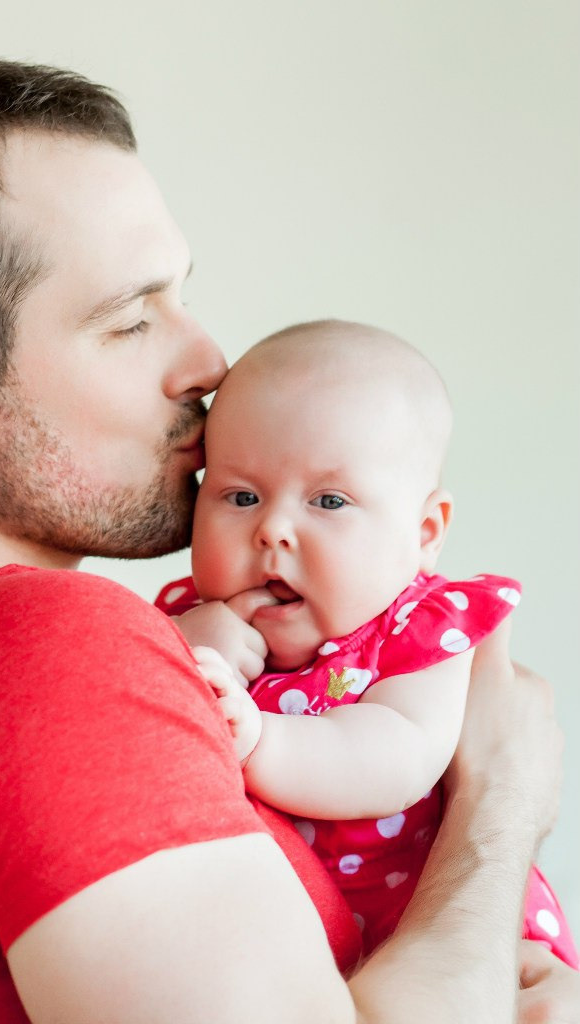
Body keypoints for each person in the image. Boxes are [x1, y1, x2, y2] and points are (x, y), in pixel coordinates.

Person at [0, 57, 578, 1024]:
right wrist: (501, 808)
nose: (208, 359)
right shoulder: (40, 646)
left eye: (180, 295)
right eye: (131, 321)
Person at [157, 320, 578, 964]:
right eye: (241, 496)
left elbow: (398, 756)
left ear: (425, 531)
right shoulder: (187, 619)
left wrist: (263, 741)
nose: (273, 529)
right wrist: (181, 653)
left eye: (328, 501)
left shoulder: (419, 628)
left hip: (438, 933)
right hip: (284, 952)